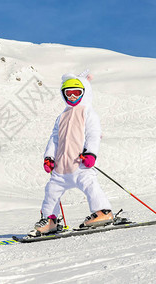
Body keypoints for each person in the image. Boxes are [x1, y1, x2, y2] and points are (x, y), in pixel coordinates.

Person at [35, 71, 113, 234]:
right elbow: (55, 139)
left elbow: (93, 134)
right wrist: (49, 157)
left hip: (81, 164)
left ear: (85, 92)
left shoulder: (88, 113)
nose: (72, 97)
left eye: (76, 93)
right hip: (61, 168)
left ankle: (103, 212)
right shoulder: (62, 115)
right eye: (68, 93)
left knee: (90, 186)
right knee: (51, 192)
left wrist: (91, 153)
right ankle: (50, 220)